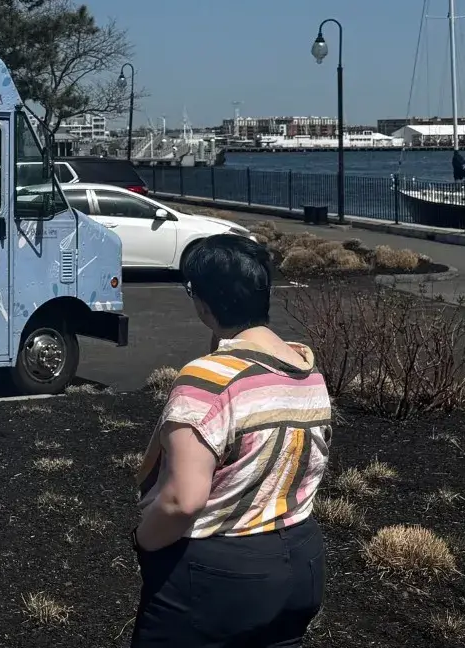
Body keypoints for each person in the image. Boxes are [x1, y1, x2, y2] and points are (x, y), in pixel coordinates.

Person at [131, 235, 332, 648]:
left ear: (203, 302)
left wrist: (143, 543)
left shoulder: (206, 381)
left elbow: (181, 500)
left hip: (217, 573)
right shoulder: (306, 369)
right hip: (302, 559)